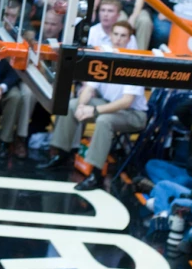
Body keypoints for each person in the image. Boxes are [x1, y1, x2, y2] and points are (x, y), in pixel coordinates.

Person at [48, 21, 149, 191]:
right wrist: (81, 106)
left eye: (123, 35)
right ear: (110, 35)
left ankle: (96, 174)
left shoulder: (135, 61)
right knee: (72, 105)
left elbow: (126, 102)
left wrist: (93, 110)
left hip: (133, 114)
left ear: (129, 38)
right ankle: (62, 155)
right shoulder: (105, 55)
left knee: (104, 120)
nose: (118, 39)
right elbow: (89, 88)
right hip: (109, 105)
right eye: (115, 34)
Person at [0, 59, 27, 159]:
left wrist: (1, 88)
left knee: (15, 96)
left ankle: (4, 141)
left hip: (2, 85)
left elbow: (15, 72)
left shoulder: (11, 45)